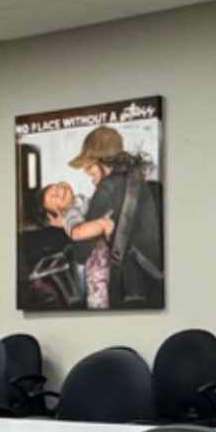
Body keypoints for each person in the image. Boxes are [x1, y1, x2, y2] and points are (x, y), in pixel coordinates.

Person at [58, 123, 162, 310]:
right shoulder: (136, 177)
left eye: (88, 165)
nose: (86, 171)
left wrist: (69, 211)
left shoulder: (107, 188)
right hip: (153, 280)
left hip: (128, 288)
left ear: (101, 161)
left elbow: (82, 253)